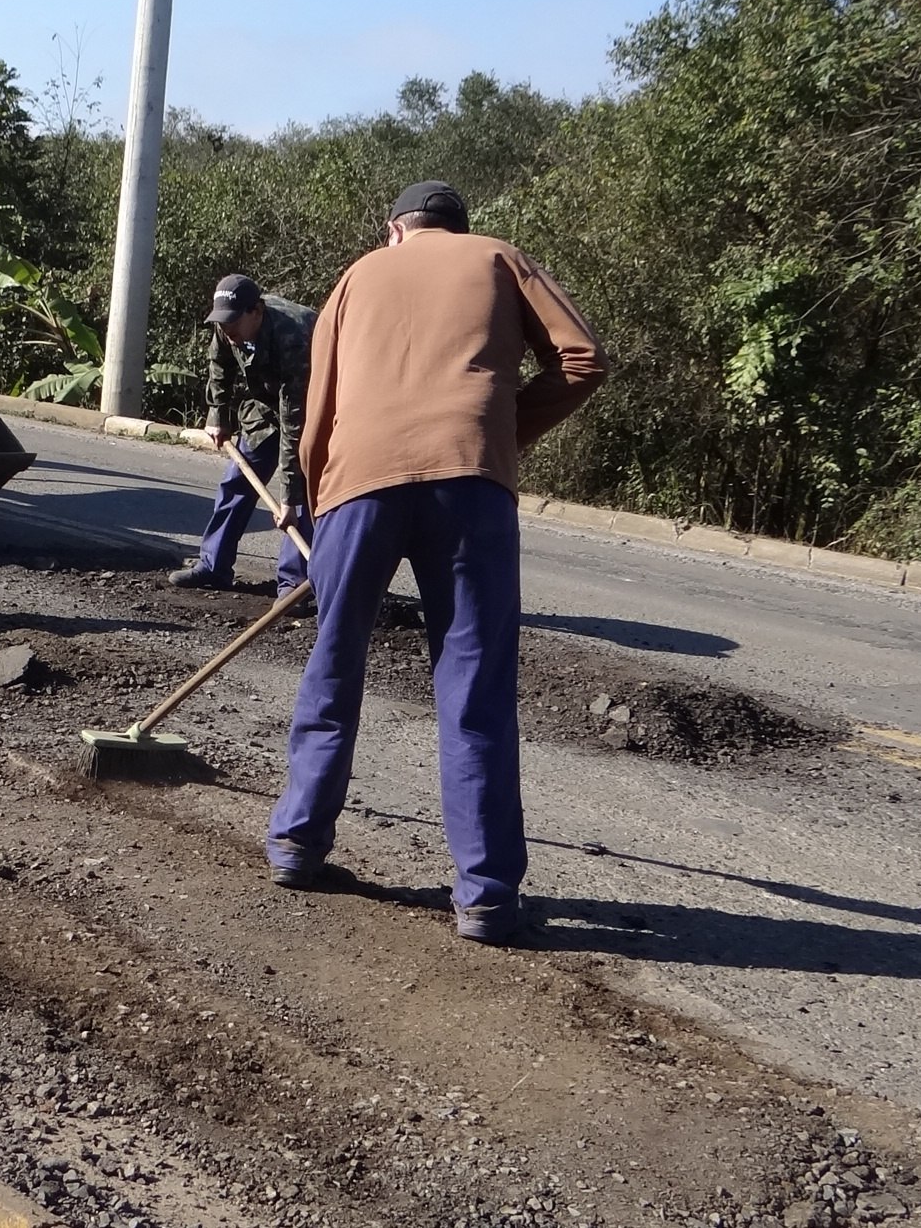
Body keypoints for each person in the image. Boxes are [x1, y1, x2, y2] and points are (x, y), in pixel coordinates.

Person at [266, 181, 609, 945]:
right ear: (459, 226)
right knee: (473, 684)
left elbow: (317, 404)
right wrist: (495, 434)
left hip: (358, 482)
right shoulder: (498, 257)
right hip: (471, 486)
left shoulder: (358, 274)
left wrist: (323, 507)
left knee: (334, 660)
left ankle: (295, 843)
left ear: (396, 230)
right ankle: (484, 897)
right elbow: (582, 361)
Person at [169, 274, 314, 603]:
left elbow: (294, 421)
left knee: (299, 498)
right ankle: (213, 565)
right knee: (238, 480)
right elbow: (219, 365)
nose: (226, 329)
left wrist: (289, 496)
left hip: (312, 406)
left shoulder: (294, 337)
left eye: (233, 321)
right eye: (221, 321)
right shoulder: (227, 327)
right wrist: (218, 415)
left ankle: (293, 585)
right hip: (265, 405)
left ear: (257, 312)